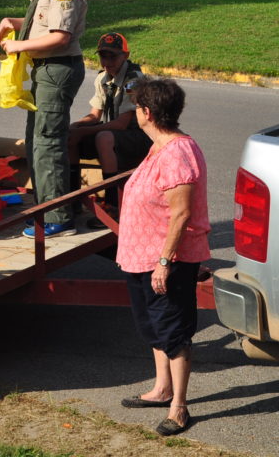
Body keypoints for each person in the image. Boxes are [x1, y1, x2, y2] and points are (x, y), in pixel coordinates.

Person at [116, 78, 210, 437]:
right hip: (140, 257)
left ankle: (179, 407)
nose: (135, 111)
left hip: (164, 261)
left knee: (174, 332)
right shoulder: (159, 146)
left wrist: (165, 261)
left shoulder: (177, 153)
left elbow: (182, 212)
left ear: (148, 113)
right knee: (152, 327)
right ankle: (161, 389)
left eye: (137, 106)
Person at [0, 0, 87, 238]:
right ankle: (45, 208)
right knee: (35, 139)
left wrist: (18, 47)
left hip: (58, 69)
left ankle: (58, 217)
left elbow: (61, 35)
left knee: (48, 142)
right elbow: (44, 22)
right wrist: (14, 22)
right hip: (45, 69)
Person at [68, 32, 150, 227]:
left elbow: (122, 123)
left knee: (103, 137)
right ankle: (73, 198)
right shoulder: (102, 78)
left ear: (125, 56)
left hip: (138, 137)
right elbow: (95, 115)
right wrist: (76, 126)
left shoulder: (133, 80)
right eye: (104, 56)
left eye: (113, 56)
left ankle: (112, 204)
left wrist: (85, 131)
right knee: (70, 136)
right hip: (114, 136)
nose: (108, 61)